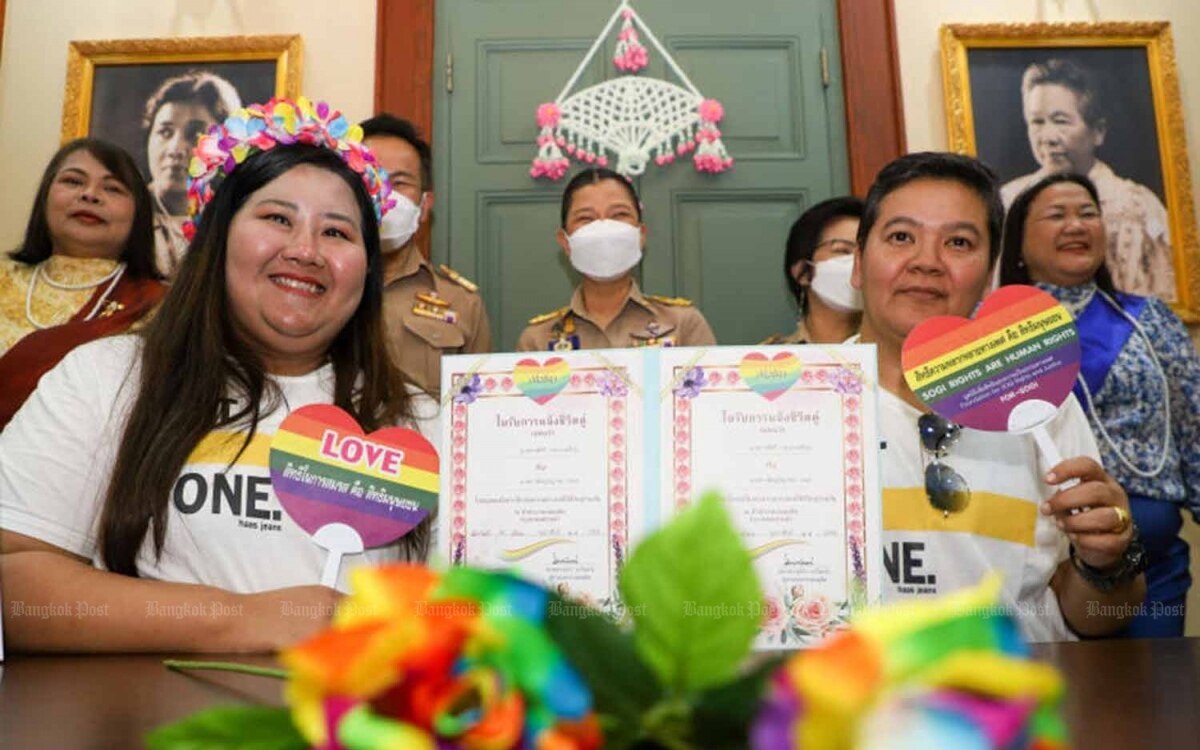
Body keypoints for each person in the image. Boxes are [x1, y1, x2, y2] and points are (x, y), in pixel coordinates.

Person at [0, 98, 438, 653]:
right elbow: (16, 584)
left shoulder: (425, 419)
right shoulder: (106, 378)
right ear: (217, 240)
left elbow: (475, 609)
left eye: (337, 233)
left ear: (367, 272)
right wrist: (237, 619)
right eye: (277, 218)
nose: (305, 250)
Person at [850, 151, 1145, 641]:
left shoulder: (1035, 402)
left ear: (989, 275)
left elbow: (1100, 619)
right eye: (901, 237)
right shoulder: (807, 400)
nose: (926, 262)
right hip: (841, 706)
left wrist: (1107, 560)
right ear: (858, 264)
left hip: (1011, 701)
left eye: (959, 242)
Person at [999, 172, 1200, 637]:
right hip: (1039, 563)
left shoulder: (1151, 321)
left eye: (1088, 214)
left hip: (1152, 563)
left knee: (1149, 701)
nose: (1076, 225)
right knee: (1061, 704)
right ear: (1018, 245)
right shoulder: (990, 337)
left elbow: (1192, 424)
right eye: (1057, 215)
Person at [0, 138, 166, 428]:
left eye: (112, 188)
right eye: (73, 182)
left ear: (138, 215)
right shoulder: (3, 278)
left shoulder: (160, 306)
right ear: (45, 198)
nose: (90, 195)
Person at [999, 58, 1175, 300]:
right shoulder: (1007, 200)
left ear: (1097, 131)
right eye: (1037, 122)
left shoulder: (1138, 206)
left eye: (1060, 121)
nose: (1048, 137)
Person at [361, 114, 491, 395]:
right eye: (370, 180)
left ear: (424, 205)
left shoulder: (461, 302)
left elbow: (476, 411)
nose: (384, 194)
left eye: (400, 183)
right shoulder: (316, 286)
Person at [518, 167, 716, 351]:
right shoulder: (538, 340)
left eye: (619, 214)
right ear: (565, 242)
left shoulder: (683, 324)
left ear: (641, 235)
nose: (604, 228)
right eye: (586, 218)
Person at [143, 70, 242, 277]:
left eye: (195, 134)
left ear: (225, 147)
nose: (176, 150)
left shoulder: (231, 224)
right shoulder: (125, 216)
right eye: (165, 132)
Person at [762, 196, 864, 344]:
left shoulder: (902, 355)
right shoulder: (769, 360)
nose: (858, 263)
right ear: (802, 272)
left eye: (865, 253)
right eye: (842, 250)